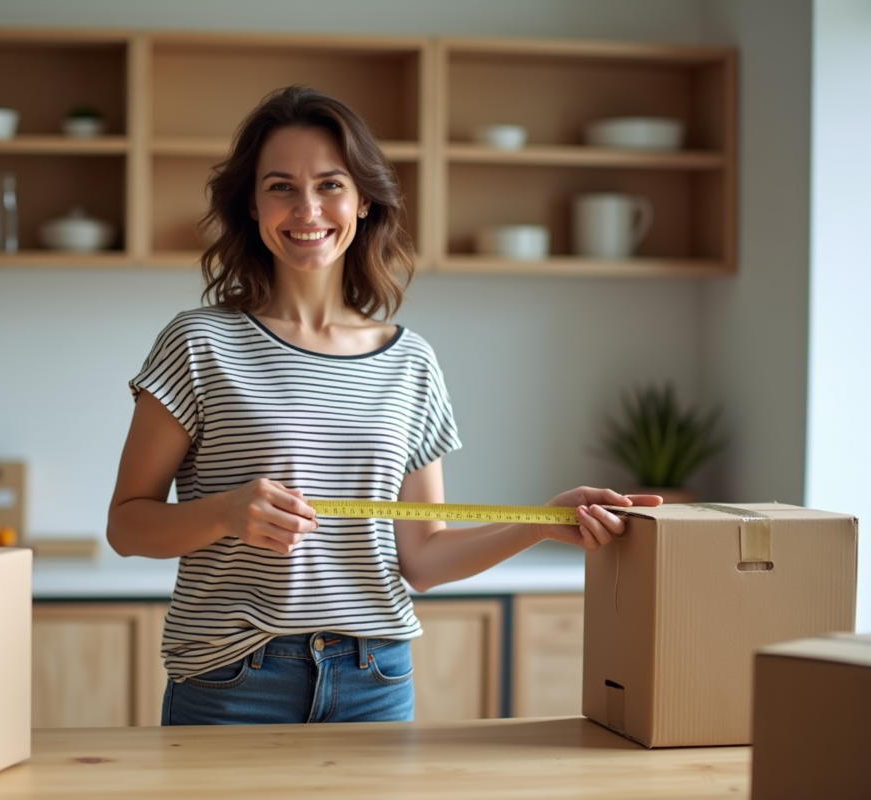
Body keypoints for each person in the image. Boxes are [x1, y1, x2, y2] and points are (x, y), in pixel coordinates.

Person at [107, 85, 660, 726]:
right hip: (234, 680)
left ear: (363, 200)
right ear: (252, 205)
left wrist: (539, 522)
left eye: (330, 184)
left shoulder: (411, 362)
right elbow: (128, 525)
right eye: (280, 186)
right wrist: (225, 513)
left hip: (374, 680)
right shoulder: (198, 342)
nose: (307, 207)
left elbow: (422, 556)